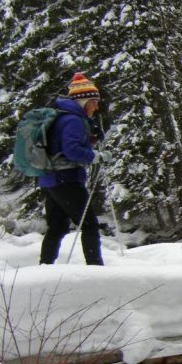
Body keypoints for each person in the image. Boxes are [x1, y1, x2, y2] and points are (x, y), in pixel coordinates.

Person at [38, 73, 111, 265]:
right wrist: (96, 156)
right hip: (66, 179)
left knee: (58, 227)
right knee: (89, 225)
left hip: (49, 179)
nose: (96, 107)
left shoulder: (62, 116)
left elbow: (60, 145)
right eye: (94, 102)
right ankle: (95, 268)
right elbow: (71, 150)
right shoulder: (74, 120)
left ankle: (44, 267)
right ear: (84, 101)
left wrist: (91, 140)